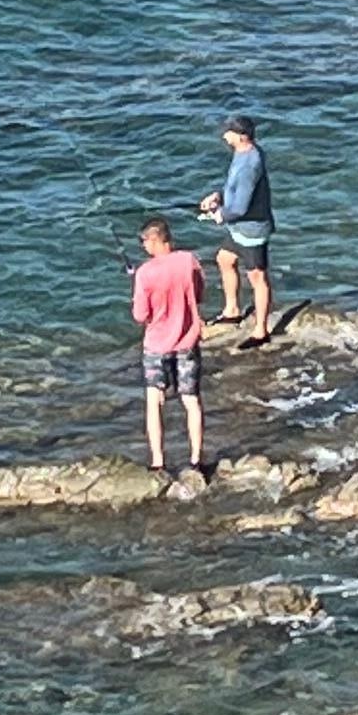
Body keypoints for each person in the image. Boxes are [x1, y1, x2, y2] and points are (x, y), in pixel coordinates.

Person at [130, 216, 209, 496]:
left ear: (154, 239)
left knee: (155, 402)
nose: (143, 246)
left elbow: (140, 315)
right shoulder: (189, 261)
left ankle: (157, 462)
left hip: (156, 345)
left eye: (144, 241)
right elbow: (198, 294)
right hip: (187, 341)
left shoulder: (144, 273)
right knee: (191, 401)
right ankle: (196, 460)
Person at [198, 112, 277, 347]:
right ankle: (232, 310)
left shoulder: (249, 166)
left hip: (252, 231)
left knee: (257, 277)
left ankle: (261, 331)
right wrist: (218, 196)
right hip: (239, 229)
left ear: (241, 137)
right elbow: (236, 190)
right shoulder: (244, 153)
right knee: (224, 259)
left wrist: (220, 215)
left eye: (228, 132)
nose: (224, 136)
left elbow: (240, 207)